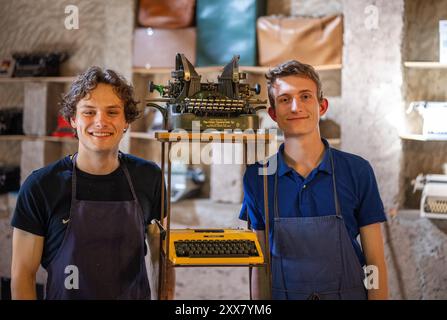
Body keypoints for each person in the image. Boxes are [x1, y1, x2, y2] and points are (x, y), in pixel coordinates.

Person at [11, 66, 174, 299]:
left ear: (126, 121)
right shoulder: (41, 186)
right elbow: (22, 275)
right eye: (89, 112)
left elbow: (162, 261)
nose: (101, 122)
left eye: (112, 112)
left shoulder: (149, 178)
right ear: (72, 120)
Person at [240, 60, 388, 300]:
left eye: (306, 96)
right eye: (285, 99)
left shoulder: (357, 171)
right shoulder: (258, 177)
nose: (296, 107)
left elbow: (375, 262)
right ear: (273, 113)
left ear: (322, 106)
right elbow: (259, 264)